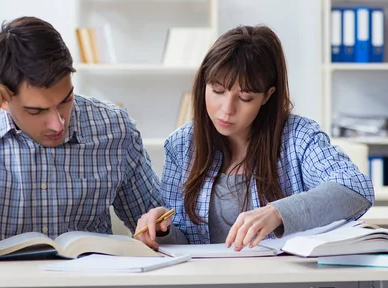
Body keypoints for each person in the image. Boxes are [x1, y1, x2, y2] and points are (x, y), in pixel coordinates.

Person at [0, 16, 163, 251]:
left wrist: (158, 223)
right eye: (36, 111)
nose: (58, 124)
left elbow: (160, 226)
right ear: (4, 98)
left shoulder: (115, 128)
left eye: (66, 101)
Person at [135, 25, 374, 250]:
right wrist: (162, 232)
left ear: (267, 95)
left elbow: (356, 188)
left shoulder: (298, 138)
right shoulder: (182, 145)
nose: (227, 108)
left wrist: (277, 213)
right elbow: (185, 245)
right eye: (217, 91)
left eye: (245, 97)